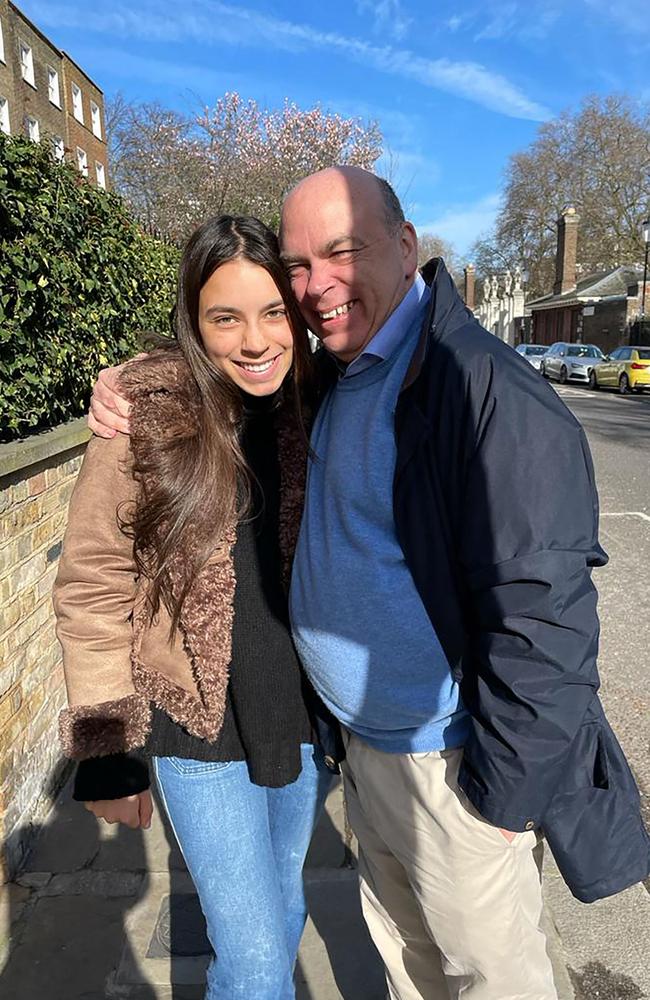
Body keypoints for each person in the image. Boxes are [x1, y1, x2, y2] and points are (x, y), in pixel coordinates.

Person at [90, 169, 650, 1000]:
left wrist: (504, 799)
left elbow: (545, 615)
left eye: (341, 252)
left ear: (407, 245)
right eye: (302, 267)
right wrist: (130, 379)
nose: (316, 289)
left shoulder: (471, 384)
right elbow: (96, 578)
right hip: (330, 748)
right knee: (396, 963)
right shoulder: (330, 379)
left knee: (485, 977)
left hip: (448, 765)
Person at [54, 214, 339, 1000]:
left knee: (282, 918)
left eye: (273, 311)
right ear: (194, 320)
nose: (255, 340)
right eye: (226, 316)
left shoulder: (324, 404)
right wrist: (107, 750)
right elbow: (92, 583)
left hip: (302, 724)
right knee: (251, 967)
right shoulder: (146, 417)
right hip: (197, 731)